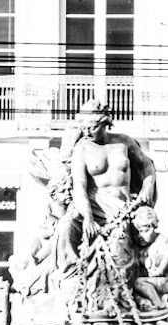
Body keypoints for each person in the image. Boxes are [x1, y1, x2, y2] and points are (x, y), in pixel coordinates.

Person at [61, 99, 158, 266]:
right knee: (66, 226)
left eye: (92, 127)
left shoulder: (124, 142)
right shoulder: (82, 149)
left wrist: (148, 186)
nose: (87, 132)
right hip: (94, 205)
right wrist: (88, 217)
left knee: (120, 250)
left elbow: (146, 165)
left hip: (123, 208)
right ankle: (69, 273)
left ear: (105, 123)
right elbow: (80, 186)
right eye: (83, 128)